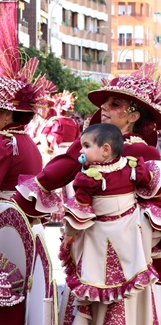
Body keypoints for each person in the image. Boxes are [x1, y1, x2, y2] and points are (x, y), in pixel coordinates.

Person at [61, 123, 161, 325]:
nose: (80, 152)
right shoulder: (119, 170)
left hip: (112, 240)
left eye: (85, 146)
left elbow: (79, 213)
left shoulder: (98, 176)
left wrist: (68, 238)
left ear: (105, 150)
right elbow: (145, 181)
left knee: (105, 298)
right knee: (114, 300)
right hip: (124, 238)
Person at [15, 64, 161, 221]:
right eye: (105, 102)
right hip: (87, 227)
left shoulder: (145, 152)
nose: (103, 106)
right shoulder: (92, 140)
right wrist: (25, 198)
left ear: (133, 117)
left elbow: (155, 202)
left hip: (128, 234)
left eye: (115, 104)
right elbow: (61, 169)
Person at [0, 58, 55, 201]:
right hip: (24, 217)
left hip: (3, 216)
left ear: (8, 114)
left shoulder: (2, 143)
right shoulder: (26, 141)